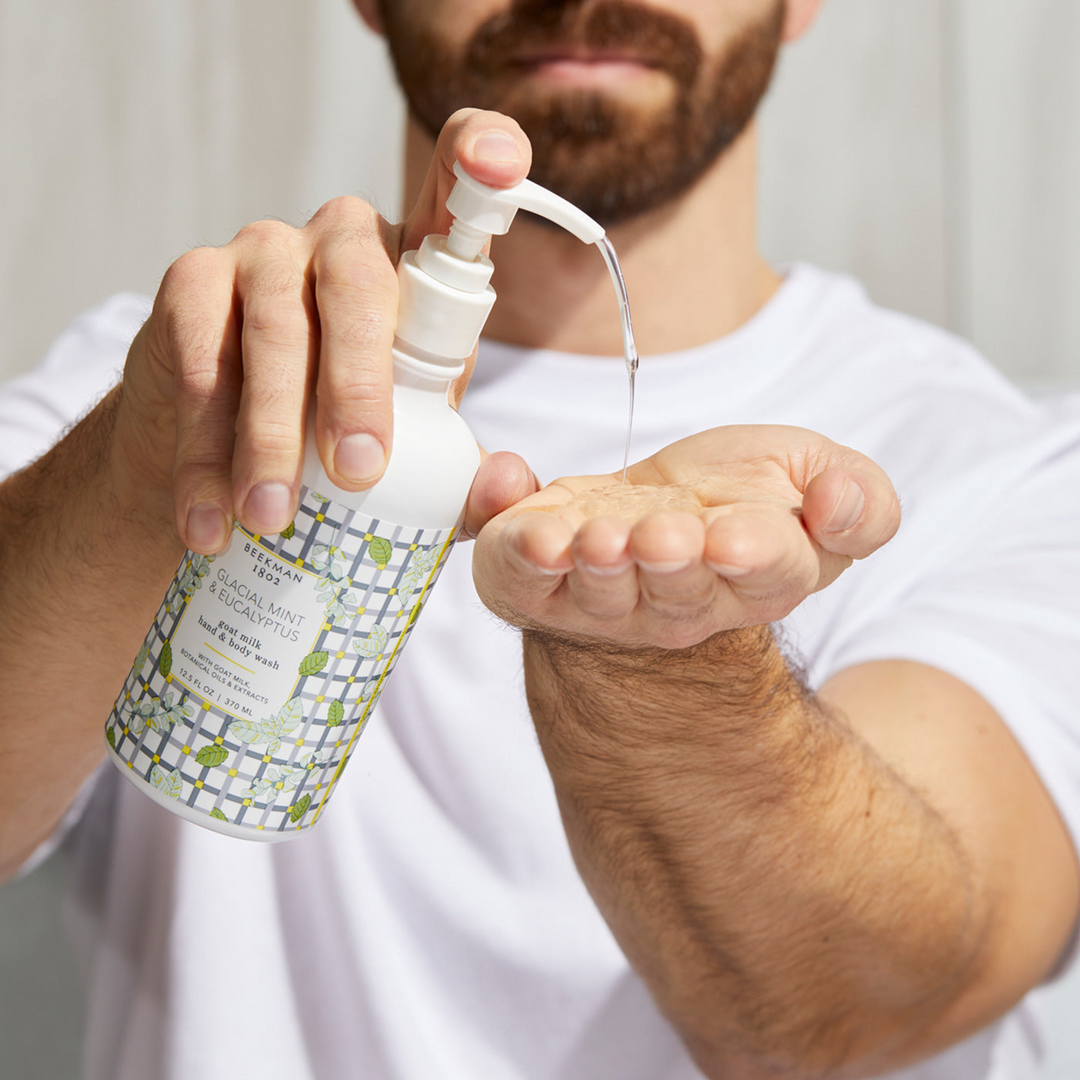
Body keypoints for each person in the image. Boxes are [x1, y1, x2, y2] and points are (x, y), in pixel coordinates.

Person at [2, 0, 1079, 1077]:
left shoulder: (1000, 468)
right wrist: (147, 467)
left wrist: (662, 653)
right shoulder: (160, 385)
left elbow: (854, 1013)